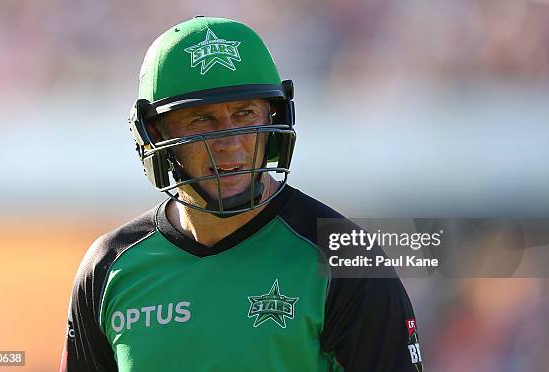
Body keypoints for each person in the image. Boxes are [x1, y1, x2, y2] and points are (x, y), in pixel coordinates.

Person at [60, 16, 423, 372]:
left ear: (273, 117)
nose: (230, 142)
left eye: (245, 113)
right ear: (156, 135)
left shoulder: (344, 259)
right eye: (201, 119)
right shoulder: (109, 268)